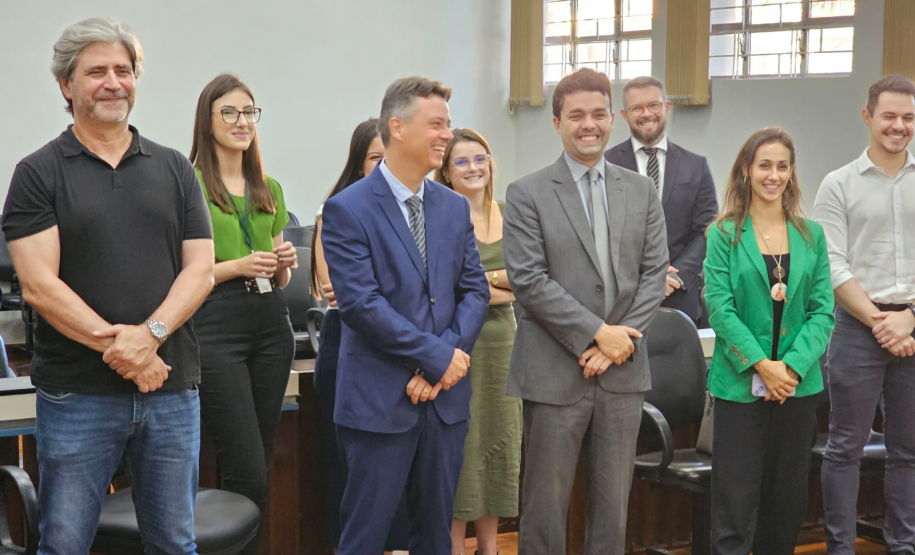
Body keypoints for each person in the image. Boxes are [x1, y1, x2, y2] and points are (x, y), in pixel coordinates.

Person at [1, 17, 214, 555]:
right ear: (66, 86)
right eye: (97, 71)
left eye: (124, 69)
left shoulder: (174, 169)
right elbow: (39, 285)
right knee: (66, 543)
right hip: (78, 396)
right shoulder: (38, 172)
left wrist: (152, 335)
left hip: (171, 391)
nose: (113, 82)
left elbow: (200, 270)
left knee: (174, 543)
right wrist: (128, 350)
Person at [321, 76, 490, 554]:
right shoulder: (347, 209)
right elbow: (361, 305)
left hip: (445, 403)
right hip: (379, 403)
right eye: (436, 125)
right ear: (397, 126)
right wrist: (436, 358)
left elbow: (474, 290)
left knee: (435, 535)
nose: (446, 136)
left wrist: (447, 363)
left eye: (448, 126)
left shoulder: (453, 207)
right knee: (365, 536)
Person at [502, 68, 668, 555]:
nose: (588, 124)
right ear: (557, 123)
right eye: (576, 115)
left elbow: (654, 273)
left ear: (612, 118)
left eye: (598, 113)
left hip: (622, 376)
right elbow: (530, 281)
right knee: (543, 509)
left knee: (613, 510)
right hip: (555, 374)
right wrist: (598, 333)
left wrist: (620, 342)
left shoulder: (639, 190)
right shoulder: (526, 192)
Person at [704, 127, 834, 555]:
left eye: (782, 166)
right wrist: (763, 365)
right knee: (735, 506)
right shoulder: (723, 235)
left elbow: (822, 312)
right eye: (764, 165)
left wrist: (791, 368)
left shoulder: (811, 235)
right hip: (741, 389)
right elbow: (720, 310)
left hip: (797, 392)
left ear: (792, 172)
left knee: (785, 504)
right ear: (746, 170)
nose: (773, 175)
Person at [188, 73, 296, 555]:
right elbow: (181, 273)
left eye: (249, 112)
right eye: (228, 112)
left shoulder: (267, 185)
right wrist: (237, 266)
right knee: (245, 466)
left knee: (261, 461)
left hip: (272, 325)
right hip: (216, 325)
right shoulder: (186, 182)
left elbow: (279, 278)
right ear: (207, 120)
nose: (241, 122)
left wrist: (285, 264)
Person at [813, 74, 915, 555]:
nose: (899, 126)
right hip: (857, 329)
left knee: (909, 452)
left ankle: (902, 546)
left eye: (909, 117)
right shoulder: (838, 184)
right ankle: (840, 548)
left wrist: (909, 318)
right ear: (868, 117)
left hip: (913, 326)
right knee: (845, 448)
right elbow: (831, 265)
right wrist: (882, 321)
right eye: (890, 116)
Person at [310, 118, 411, 553]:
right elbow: (338, 290)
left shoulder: (416, 211)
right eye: (375, 158)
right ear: (359, 163)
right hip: (349, 346)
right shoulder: (336, 210)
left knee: (403, 474)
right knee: (353, 474)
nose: (385, 166)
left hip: (402, 350)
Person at [434, 129, 521, 555]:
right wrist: (494, 283)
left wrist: (479, 283)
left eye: (480, 158)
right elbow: (442, 287)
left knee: (498, 446)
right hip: (457, 344)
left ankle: (490, 548)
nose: (473, 168)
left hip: (504, 344)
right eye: (462, 162)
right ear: (446, 173)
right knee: (462, 450)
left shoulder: (512, 212)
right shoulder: (441, 216)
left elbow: (526, 281)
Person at [604, 76, 718, 326]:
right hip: (622, 301)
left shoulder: (695, 167)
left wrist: (674, 277)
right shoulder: (606, 165)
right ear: (624, 114)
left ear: (666, 107)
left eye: (653, 105)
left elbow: (706, 231)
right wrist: (646, 279)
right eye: (637, 108)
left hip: (679, 298)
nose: (646, 114)